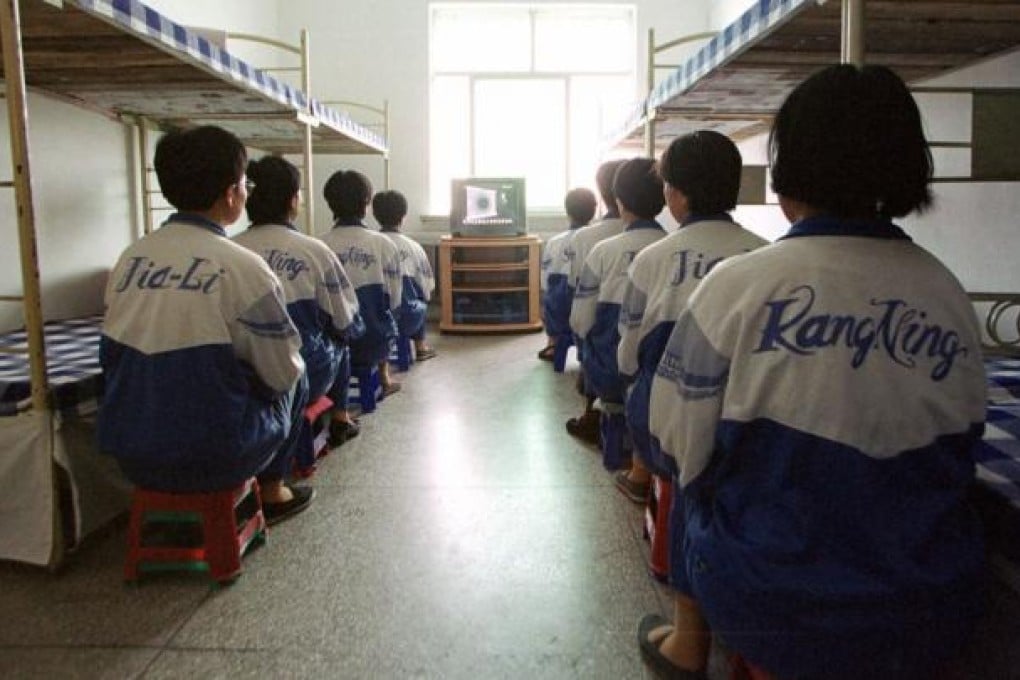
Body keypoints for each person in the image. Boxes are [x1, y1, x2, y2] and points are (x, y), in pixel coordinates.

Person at [642, 64, 987, 680]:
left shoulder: (738, 287)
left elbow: (675, 436)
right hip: (928, 599)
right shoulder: (946, 290)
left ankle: (687, 645)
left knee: (696, 484)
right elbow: (963, 441)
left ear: (785, 172)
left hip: (773, 597)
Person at [98, 125, 314, 525]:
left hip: (131, 456)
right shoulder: (242, 267)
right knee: (297, 374)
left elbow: (108, 357)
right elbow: (281, 370)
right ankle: (273, 489)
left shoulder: (130, 260)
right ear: (232, 194)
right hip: (216, 457)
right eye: (244, 183)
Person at [615, 131, 768, 505]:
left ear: (676, 194)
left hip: (669, 429)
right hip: (751, 426)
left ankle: (646, 473)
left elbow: (627, 356)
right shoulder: (766, 254)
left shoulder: (651, 259)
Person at [234, 155, 365, 454]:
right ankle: (341, 417)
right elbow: (345, 321)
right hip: (301, 374)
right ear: (293, 200)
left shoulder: (230, 250)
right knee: (340, 340)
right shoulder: (313, 251)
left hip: (239, 380)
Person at [570, 157, 666, 470]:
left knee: (592, 333)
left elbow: (580, 322)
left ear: (618, 200)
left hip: (613, 372)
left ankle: (596, 415)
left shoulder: (602, 249)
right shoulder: (670, 246)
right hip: (666, 374)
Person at [320, 170, 403, 397]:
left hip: (334, 348)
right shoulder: (384, 245)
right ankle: (384, 376)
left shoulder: (319, 246)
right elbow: (395, 300)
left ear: (330, 204)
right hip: (375, 342)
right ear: (367, 202)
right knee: (385, 314)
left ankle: (333, 395)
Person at [564, 159, 627, 444]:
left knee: (590, 331)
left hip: (603, 336)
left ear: (603, 195)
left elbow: (577, 292)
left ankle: (591, 411)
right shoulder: (662, 239)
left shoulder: (586, 238)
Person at [372, 189, 437, 362]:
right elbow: (428, 287)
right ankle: (420, 346)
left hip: (372, 320)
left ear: (375, 214)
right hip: (406, 319)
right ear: (403, 216)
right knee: (420, 294)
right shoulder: (413, 247)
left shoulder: (368, 246)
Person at [538, 187, 597, 362]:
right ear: (594, 211)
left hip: (560, 315)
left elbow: (544, 282)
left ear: (567, 211)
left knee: (553, 291)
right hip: (590, 311)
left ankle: (553, 342)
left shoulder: (554, 242)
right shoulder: (601, 242)